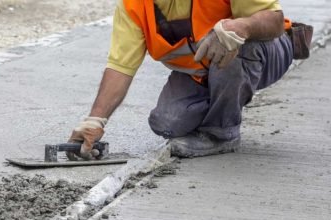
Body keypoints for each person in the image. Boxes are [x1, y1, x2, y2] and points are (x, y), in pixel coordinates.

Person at [66, 0, 294, 161]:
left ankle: (222, 133)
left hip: (264, 50)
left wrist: (238, 27)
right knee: (166, 123)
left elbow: (274, 21)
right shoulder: (134, 5)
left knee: (231, 42)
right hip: (201, 72)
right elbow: (120, 67)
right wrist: (95, 121)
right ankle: (217, 105)